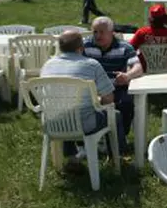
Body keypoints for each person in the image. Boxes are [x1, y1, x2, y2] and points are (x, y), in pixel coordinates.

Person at [39, 30, 119, 163]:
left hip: (52, 123)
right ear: (81, 48)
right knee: (116, 116)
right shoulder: (91, 65)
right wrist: (96, 101)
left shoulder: (47, 65)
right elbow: (109, 99)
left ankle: (72, 158)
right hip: (84, 125)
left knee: (66, 111)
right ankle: (116, 157)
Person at [83, 17, 143, 150]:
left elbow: (138, 67)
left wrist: (127, 76)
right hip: (93, 89)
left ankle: (121, 136)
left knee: (126, 103)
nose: (98, 36)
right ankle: (88, 140)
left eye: (102, 32)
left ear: (112, 32)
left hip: (117, 87)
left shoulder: (125, 47)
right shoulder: (85, 46)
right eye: (95, 32)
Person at [130, 5, 167, 70]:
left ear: (150, 19)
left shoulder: (141, 32)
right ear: (165, 19)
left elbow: (130, 50)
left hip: (144, 68)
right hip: (166, 68)